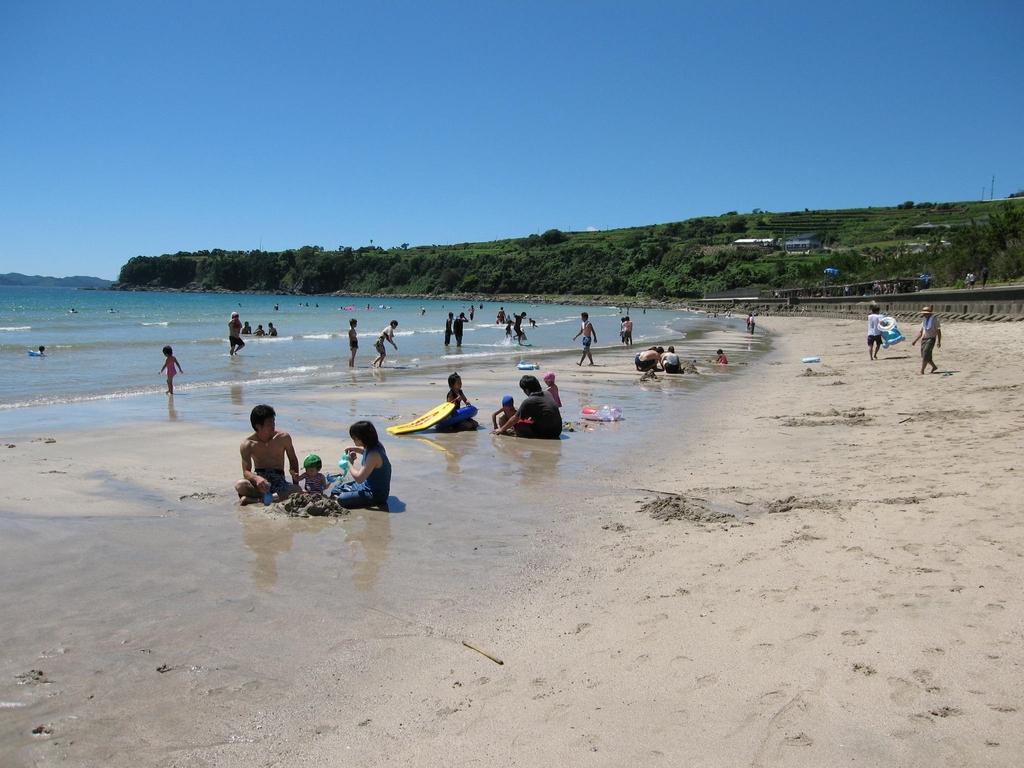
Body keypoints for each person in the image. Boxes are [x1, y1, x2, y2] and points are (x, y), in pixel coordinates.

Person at [235, 404, 300, 504]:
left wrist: (295, 480)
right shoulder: (248, 444)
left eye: (273, 422)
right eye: (269, 424)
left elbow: (293, 460)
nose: (273, 426)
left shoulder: (283, 438)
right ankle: (271, 498)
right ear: (258, 426)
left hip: (279, 481)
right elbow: (246, 472)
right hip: (260, 483)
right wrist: (256, 478)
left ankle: (256, 500)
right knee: (240, 485)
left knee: (296, 489)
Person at [332, 421, 391, 510]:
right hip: (366, 485)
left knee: (341, 499)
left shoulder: (374, 455)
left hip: (375, 494)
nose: (353, 440)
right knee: (336, 490)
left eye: (355, 438)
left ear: (362, 438)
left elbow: (359, 478)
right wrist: (354, 449)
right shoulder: (375, 445)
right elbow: (364, 450)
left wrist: (348, 463)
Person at [493, 375, 562, 439]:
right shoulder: (548, 393)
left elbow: (515, 419)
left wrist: (501, 429)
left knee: (518, 424)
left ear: (527, 390)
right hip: (558, 431)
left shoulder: (529, 401)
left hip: (547, 434)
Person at [911, 306, 941, 374]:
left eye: (925, 313)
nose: (924, 314)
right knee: (925, 355)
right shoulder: (924, 320)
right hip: (924, 339)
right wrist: (915, 340)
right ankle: (934, 366)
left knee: (925, 353)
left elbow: (938, 331)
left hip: (931, 339)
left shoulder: (935, 319)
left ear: (929, 313)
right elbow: (921, 332)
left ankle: (922, 370)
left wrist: (939, 341)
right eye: (923, 313)